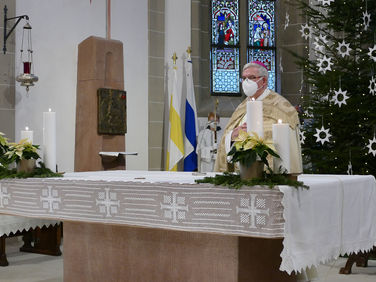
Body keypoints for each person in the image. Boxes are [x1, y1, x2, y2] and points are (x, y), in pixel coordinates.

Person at [214, 61, 303, 174]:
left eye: (251, 77)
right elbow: (228, 135)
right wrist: (232, 136)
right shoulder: (242, 106)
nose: (246, 82)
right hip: (240, 173)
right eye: (244, 78)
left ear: (264, 81)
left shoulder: (282, 106)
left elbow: (281, 140)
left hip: (269, 174)